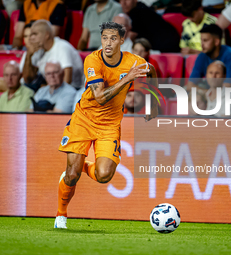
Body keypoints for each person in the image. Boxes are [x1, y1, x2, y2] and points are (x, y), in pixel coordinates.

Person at [54, 21, 158, 229]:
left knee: (103, 176)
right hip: (84, 119)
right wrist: (127, 79)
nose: (107, 43)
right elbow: (100, 97)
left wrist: (153, 103)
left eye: (112, 38)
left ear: (121, 40)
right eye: (104, 38)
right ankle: (61, 215)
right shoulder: (93, 60)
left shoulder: (134, 61)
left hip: (109, 125)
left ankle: (80, 165)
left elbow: (152, 70)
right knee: (71, 176)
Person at [25, 20, 84, 89]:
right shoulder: (39, 50)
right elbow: (28, 79)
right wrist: (28, 55)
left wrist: (46, 90)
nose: (31, 38)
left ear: (47, 35)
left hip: (73, 89)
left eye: (35, 34)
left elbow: (67, 81)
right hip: (52, 86)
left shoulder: (62, 47)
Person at [187, 24, 231, 90]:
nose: (201, 44)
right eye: (201, 40)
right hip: (211, 92)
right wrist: (207, 94)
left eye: (205, 40)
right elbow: (190, 84)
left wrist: (210, 95)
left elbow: (228, 87)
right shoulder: (202, 55)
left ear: (217, 42)